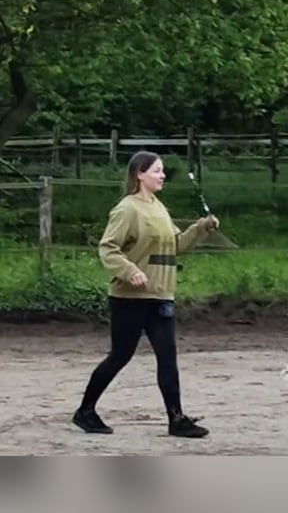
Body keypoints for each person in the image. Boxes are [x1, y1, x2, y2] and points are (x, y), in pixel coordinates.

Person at [72, 150, 219, 438]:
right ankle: (85, 411)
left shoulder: (158, 207)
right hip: (130, 297)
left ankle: (176, 419)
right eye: (156, 171)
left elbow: (175, 245)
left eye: (162, 170)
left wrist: (201, 228)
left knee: (167, 357)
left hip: (161, 294)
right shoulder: (127, 209)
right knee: (120, 356)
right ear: (139, 174)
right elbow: (108, 248)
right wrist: (130, 271)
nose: (162, 175)